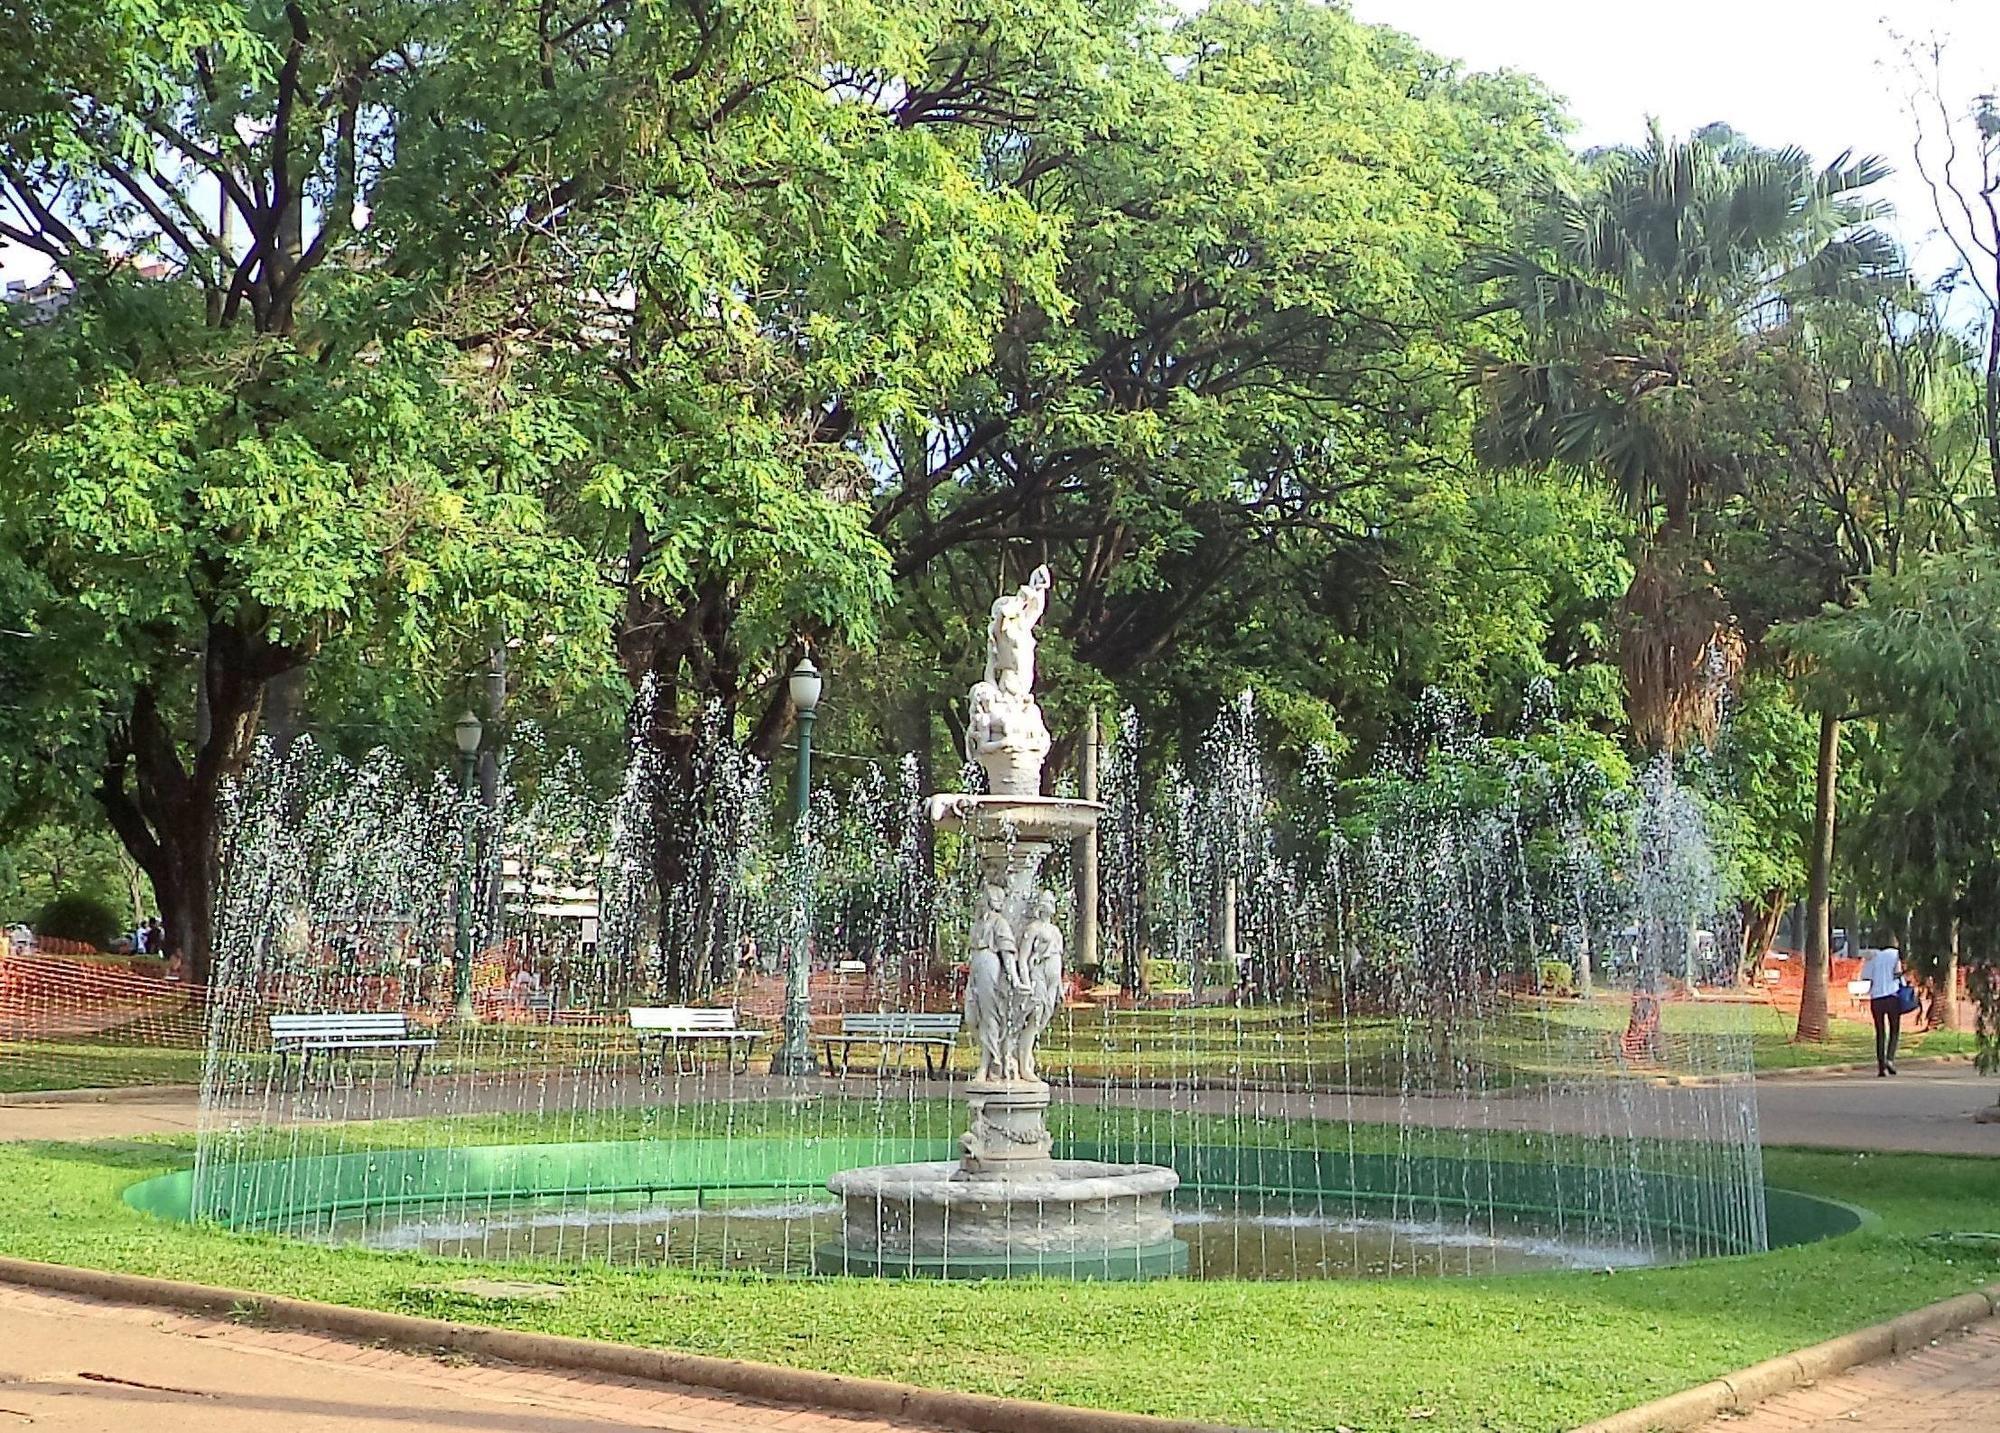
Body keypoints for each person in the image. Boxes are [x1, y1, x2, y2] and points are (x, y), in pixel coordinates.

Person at [1861, 943, 1905, 1077]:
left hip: (1877, 997)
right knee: (1894, 1029)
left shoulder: (1871, 956)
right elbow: (1897, 972)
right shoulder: (1894, 954)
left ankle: (1881, 1066)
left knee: (1880, 1031)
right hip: (1892, 995)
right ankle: (1890, 1059)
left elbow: (1866, 977)